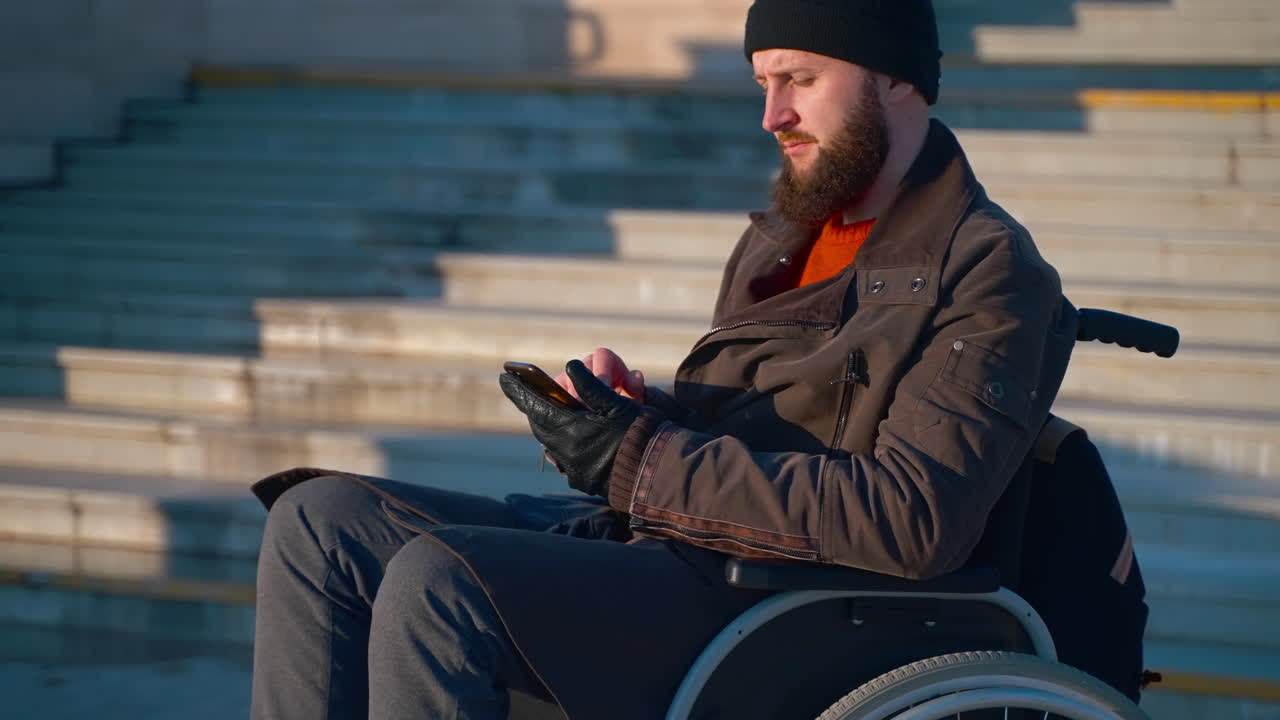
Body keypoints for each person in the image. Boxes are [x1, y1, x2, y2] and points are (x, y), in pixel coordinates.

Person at [248, 0, 1077, 717]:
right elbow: (743, 429)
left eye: (801, 81)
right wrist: (632, 419)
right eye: (763, 84)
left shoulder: (989, 267)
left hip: (776, 598)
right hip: (677, 543)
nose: (772, 116)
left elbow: (913, 520)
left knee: (444, 577)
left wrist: (641, 463)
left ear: (896, 76)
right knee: (319, 521)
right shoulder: (787, 238)